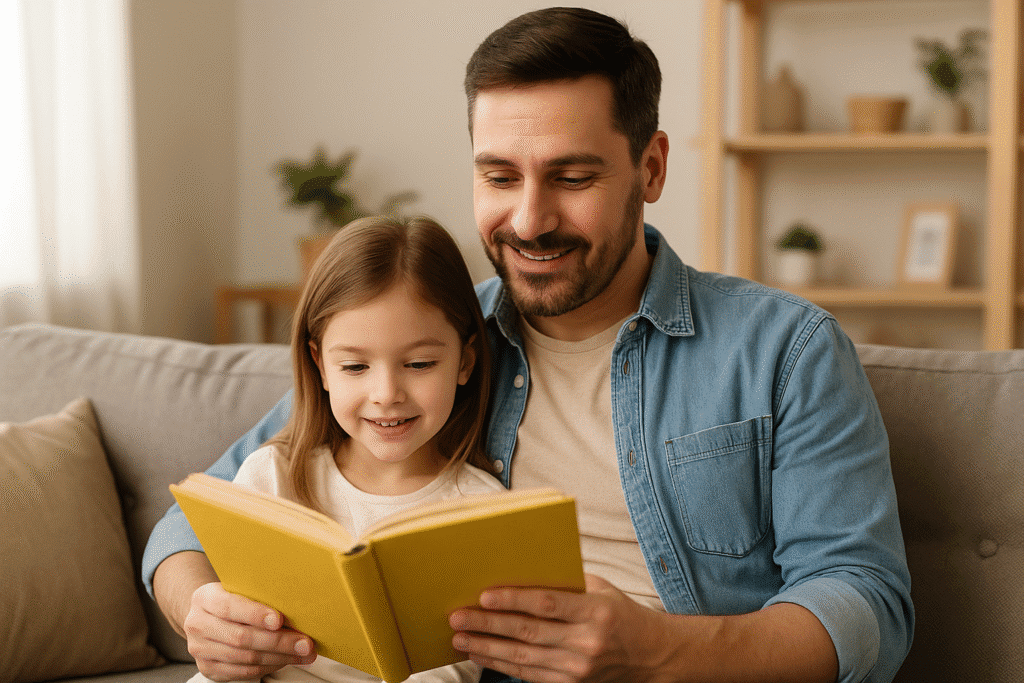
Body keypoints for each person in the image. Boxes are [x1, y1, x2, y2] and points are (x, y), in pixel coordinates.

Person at [144, 7, 913, 683]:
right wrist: (202, 608)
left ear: (650, 168)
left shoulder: (784, 349)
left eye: (572, 177)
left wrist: (660, 652)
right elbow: (195, 518)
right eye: (500, 176)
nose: (530, 218)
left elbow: (864, 604)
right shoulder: (432, 341)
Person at [183, 215, 504, 682]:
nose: (386, 392)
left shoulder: (480, 510)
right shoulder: (271, 475)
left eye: (419, 363)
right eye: (355, 367)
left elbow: (451, 669)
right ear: (320, 365)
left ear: (465, 361)